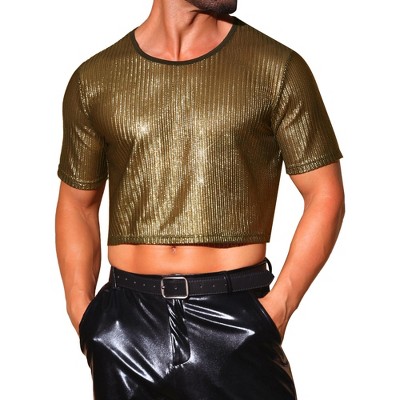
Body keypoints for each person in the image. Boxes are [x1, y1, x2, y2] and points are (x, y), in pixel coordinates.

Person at [55, 0, 345, 399]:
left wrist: (279, 307)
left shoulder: (276, 68)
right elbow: (77, 203)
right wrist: (83, 312)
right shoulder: (95, 79)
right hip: (125, 324)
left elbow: (325, 193)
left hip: (236, 319)